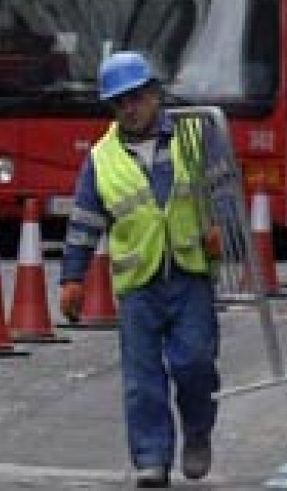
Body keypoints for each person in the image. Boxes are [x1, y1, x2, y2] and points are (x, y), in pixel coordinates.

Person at [59, 50, 220, 488]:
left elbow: (221, 187)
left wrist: (219, 228)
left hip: (190, 275)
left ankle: (198, 433)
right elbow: (85, 221)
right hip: (138, 286)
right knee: (142, 380)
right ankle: (151, 459)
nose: (129, 109)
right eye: (119, 102)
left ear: (154, 94)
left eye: (136, 97)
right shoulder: (102, 159)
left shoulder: (190, 138)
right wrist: (72, 278)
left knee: (195, 365)